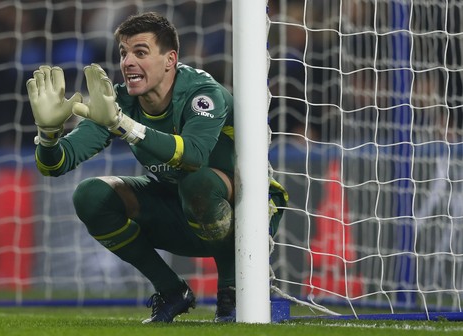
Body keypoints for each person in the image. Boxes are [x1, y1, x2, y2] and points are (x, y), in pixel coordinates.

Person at [26, 12, 287, 323]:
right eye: (124, 53)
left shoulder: (202, 93)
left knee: (197, 183)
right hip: (181, 210)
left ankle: (232, 289)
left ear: (170, 60)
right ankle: (171, 291)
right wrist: (49, 135)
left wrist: (123, 125)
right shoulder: (119, 103)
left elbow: (193, 155)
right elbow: (57, 165)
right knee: (90, 195)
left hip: (247, 214)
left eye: (140, 52)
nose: (128, 62)